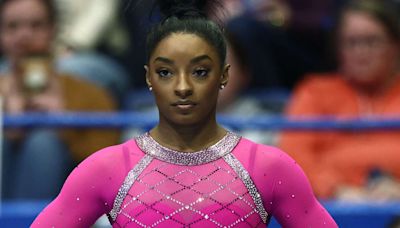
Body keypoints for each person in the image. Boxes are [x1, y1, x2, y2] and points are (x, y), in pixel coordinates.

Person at [32, 0, 337, 226]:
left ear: (224, 75)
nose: (182, 87)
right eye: (165, 72)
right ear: (149, 77)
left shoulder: (269, 168)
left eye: (200, 71)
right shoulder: (106, 168)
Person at [278, 0, 400, 199]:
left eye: (372, 41)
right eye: (351, 42)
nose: (361, 52)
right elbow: (293, 157)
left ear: (395, 46)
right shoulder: (315, 91)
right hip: (329, 208)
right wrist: (335, 190)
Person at [0, 0, 120, 199]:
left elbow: (110, 173)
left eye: (36, 25)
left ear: (53, 30)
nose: (24, 35)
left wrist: (65, 123)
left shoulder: (90, 93)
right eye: (12, 26)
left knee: (43, 142)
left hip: (70, 210)